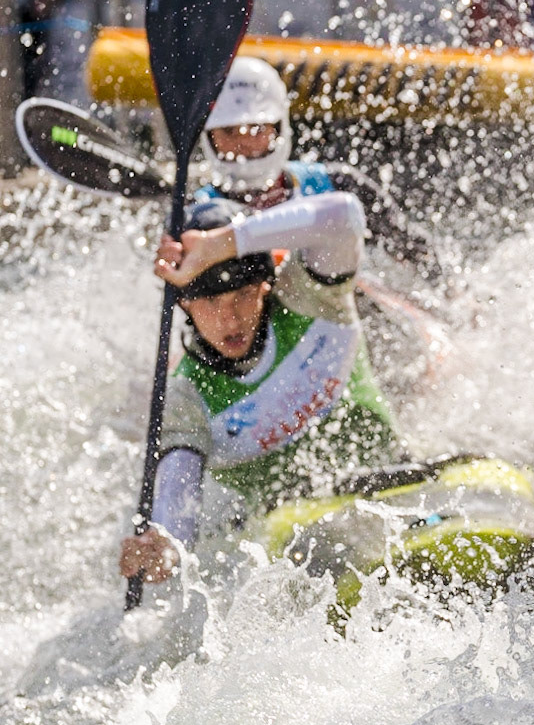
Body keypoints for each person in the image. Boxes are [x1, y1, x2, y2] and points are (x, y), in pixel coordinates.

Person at [117, 193, 403, 585]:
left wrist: (220, 244)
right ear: (184, 305)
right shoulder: (186, 397)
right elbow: (176, 513)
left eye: (242, 295)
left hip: (394, 484)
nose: (229, 318)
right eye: (211, 302)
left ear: (265, 286)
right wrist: (164, 547)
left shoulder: (311, 299)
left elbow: (346, 216)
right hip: (300, 548)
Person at [197, 56, 441, 285]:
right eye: (229, 132)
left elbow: (412, 248)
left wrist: (453, 295)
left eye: (256, 128)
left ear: (279, 126)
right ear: (209, 135)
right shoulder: (198, 213)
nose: (245, 143)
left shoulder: (339, 184)